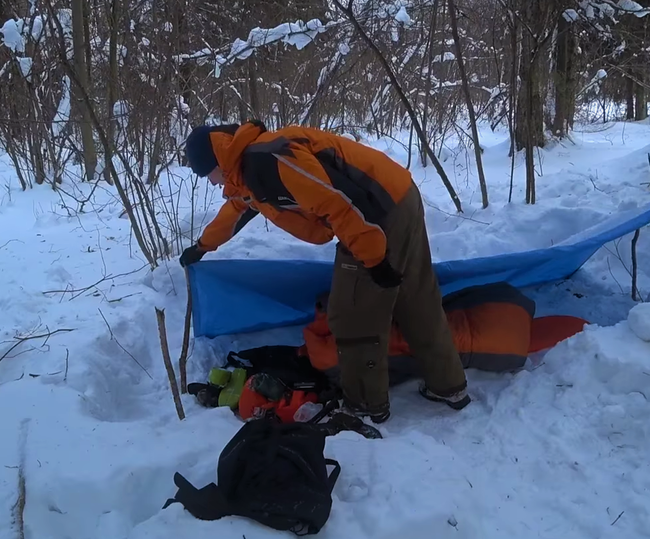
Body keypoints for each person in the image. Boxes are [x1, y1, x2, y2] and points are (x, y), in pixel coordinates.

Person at [179, 120, 470, 423]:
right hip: (397, 194)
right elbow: (238, 209)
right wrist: (203, 246)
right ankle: (448, 385)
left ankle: (365, 407)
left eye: (206, 174)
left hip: (373, 215)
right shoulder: (249, 168)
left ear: (219, 158)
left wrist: (374, 259)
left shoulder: (268, 160)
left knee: (352, 314)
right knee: (414, 296)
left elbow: (339, 205)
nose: (211, 182)